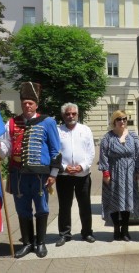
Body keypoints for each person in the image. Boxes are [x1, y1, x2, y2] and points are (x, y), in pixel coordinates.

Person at [0, 82, 62, 258]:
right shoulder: (11, 123)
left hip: (40, 176)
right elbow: (6, 149)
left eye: (30, 102)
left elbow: (56, 150)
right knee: (22, 209)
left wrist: (53, 174)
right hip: (18, 175)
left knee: (42, 207)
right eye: (25, 102)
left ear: (36, 104)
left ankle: (40, 243)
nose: (27, 105)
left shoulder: (47, 122)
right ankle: (27, 243)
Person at [55, 103, 96, 247]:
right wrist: (65, 168)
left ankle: (87, 232)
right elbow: (54, 152)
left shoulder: (85, 130)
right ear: (63, 115)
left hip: (82, 175)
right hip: (64, 175)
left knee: (85, 205)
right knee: (64, 206)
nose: (70, 116)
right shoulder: (57, 131)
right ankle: (64, 234)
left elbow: (91, 152)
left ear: (77, 114)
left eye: (73, 113)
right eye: (67, 114)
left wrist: (82, 166)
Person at [99, 110, 139, 241]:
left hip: (129, 174)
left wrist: (137, 171)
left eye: (124, 119)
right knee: (113, 201)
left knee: (127, 202)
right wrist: (105, 173)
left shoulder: (133, 136)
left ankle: (125, 230)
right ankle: (116, 229)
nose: (122, 121)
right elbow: (103, 155)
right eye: (119, 119)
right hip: (113, 172)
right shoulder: (108, 137)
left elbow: (138, 155)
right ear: (114, 121)